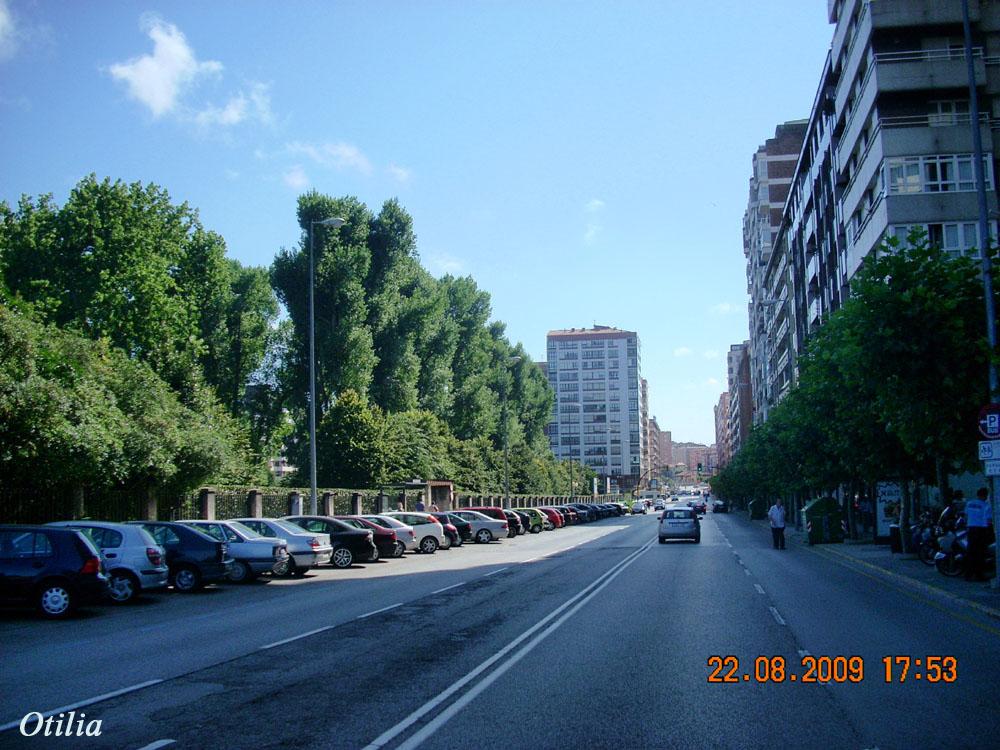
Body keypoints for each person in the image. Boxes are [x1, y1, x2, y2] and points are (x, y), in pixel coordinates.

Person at [964, 488, 994, 582]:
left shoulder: (969, 503)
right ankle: (979, 574)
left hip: (971, 529)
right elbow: (989, 521)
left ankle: (968, 574)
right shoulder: (986, 506)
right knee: (980, 553)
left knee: (970, 552)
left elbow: (966, 515)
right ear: (985, 496)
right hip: (981, 530)